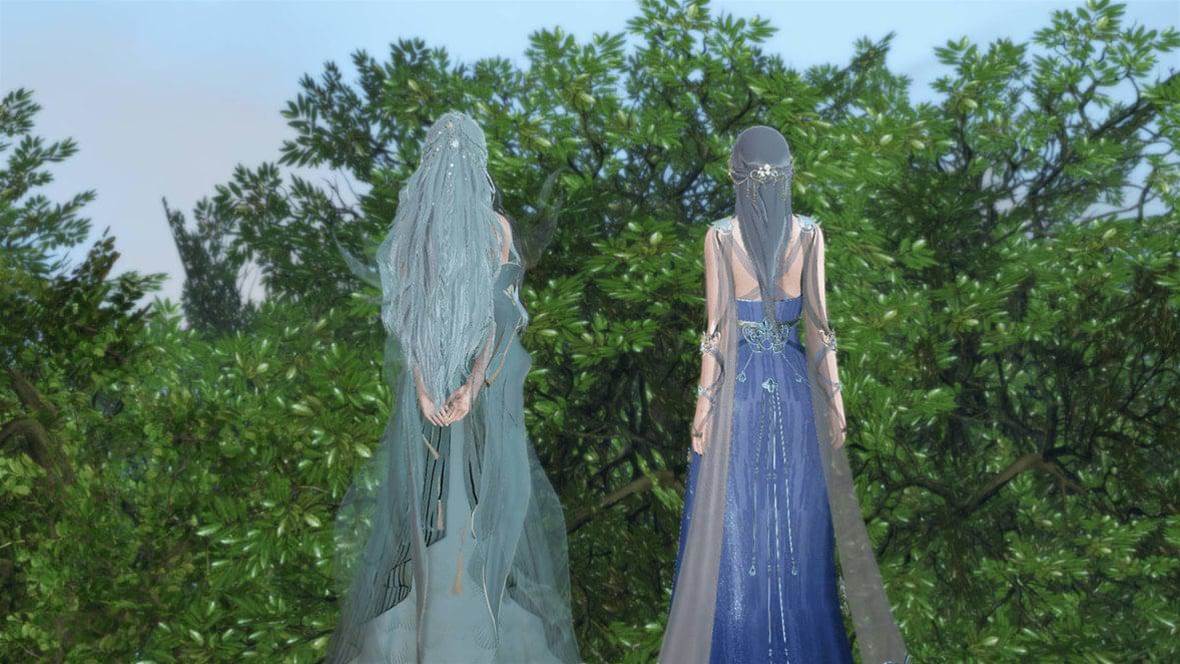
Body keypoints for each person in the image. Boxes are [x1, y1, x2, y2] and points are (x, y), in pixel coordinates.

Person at [325, 110, 580, 664]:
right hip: (459, 389)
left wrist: (448, 387)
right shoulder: (472, 231)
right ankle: (446, 620)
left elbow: (461, 319)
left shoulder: (463, 231)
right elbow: (476, 317)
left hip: (459, 391)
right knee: (441, 499)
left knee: (463, 497)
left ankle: (460, 619)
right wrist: (456, 386)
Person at [659, 126, 910, 664]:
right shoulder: (809, 235)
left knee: (743, 532)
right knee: (796, 529)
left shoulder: (721, 237)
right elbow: (820, 328)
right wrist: (835, 401)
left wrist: (703, 407)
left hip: (740, 395)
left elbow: (716, 332)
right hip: (798, 395)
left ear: (738, 175)